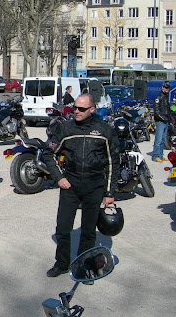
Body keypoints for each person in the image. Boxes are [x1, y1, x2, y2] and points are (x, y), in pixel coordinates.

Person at [41, 93, 119, 278]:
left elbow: (113, 162)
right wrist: (59, 177)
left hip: (95, 185)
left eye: (81, 109)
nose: (76, 111)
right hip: (71, 185)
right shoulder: (66, 129)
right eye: (75, 107)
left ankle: (84, 267)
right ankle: (61, 264)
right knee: (62, 228)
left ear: (92, 109)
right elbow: (47, 153)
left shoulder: (104, 130)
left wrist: (109, 192)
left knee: (88, 231)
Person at [152, 81, 171, 162]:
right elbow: (156, 111)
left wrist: (169, 118)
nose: (167, 89)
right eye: (166, 88)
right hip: (160, 121)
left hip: (165, 120)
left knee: (163, 139)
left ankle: (160, 155)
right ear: (162, 87)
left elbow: (167, 109)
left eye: (168, 88)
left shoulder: (166, 97)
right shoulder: (158, 97)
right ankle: (156, 156)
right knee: (158, 139)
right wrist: (163, 118)